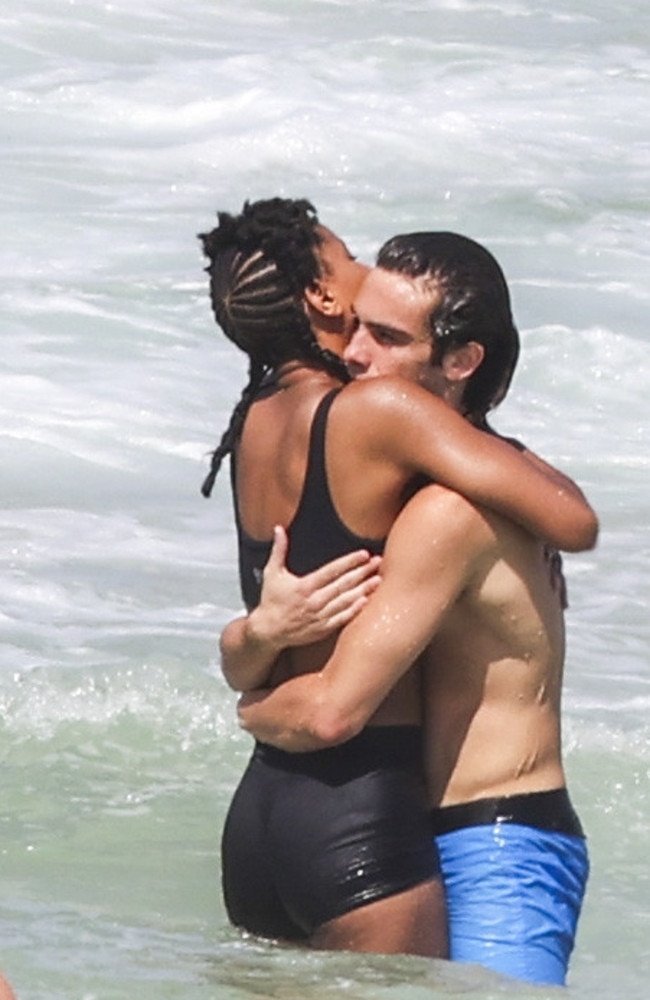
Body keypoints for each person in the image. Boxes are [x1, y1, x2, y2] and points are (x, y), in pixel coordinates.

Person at [201, 199, 596, 958]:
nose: (362, 267)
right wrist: (524, 498)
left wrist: (253, 646)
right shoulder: (375, 412)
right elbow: (570, 519)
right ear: (321, 295)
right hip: (359, 813)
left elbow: (256, 639)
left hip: (259, 816)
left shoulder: (256, 420)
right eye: (345, 254)